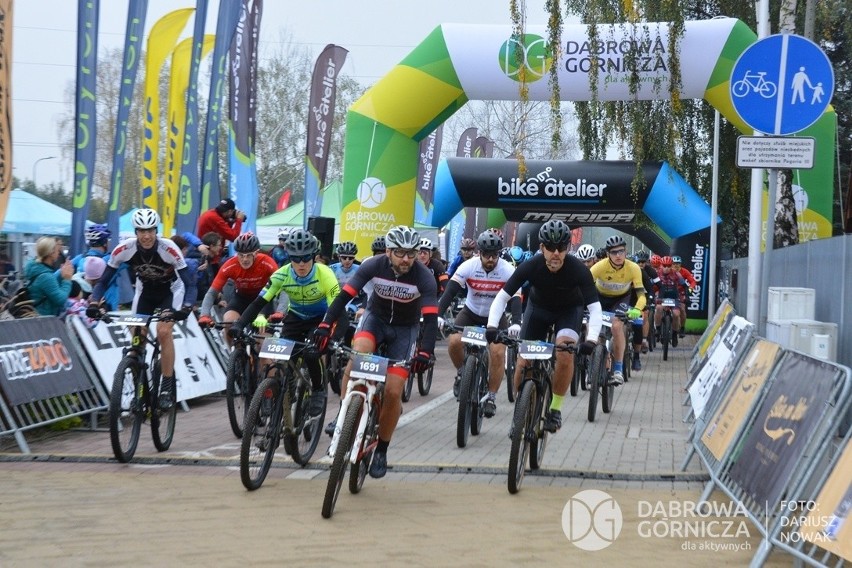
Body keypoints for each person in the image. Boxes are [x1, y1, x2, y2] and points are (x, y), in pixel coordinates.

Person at [314, 225, 438, 479]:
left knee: (393, 392)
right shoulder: (373, 265)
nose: (406, 259)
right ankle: (343, 414)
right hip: (375, 320)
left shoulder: (424, 276)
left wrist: (425, 352)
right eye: (401, 253)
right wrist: (326, 325)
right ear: (389, 251)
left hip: (404, 330)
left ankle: (381, 449)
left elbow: (431, 318)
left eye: (412, 253)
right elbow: (343, 297)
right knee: (357, 355)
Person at [486, 220, 602, 434]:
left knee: (565, 354)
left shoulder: (579, 270)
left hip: (569, 311)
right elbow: (503, 297)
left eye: (561, 248)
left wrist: (591, 339)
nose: (556, 253)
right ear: (542, 248)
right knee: (523, 363)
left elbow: (595, 308)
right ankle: (522, 408)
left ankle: (555, 409)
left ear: (568, 248)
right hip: (538, 310)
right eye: (550, 247)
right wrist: (492, 326)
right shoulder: (531, 265)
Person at [87, 208, 197, 410]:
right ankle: (140, 383)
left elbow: (190, 283)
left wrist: (187, 307)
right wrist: (94, 302)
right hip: (144, 292)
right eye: (141, 231)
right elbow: (103, 282)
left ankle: (166, 385)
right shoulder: (124, 249)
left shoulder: (169, 248)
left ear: (156, 231)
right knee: (137, 336)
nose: (146, 236)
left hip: (170, 291)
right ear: (135, 232)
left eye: (150, 230)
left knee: (164, 332)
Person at [231, 228, 340, 420]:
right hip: (295, 318)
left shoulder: (325, 274)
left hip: (321, 319)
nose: (301, 263)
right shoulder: (281, 275)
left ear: (314, 256)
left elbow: (336, 309)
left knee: (310, 352)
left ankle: (317, 389)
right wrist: (239, 324)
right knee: (282, 358)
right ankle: (281, 392)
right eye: (295, 258)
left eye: (306, 257)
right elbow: (259, 303)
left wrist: (330, 333)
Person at [438, 229, 521, 417]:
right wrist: (438, 314)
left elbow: (516, 298)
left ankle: (491, 396)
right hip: (471, 312)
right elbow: (450, 292)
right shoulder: (468, 266)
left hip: (496, 317)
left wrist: (516, 322)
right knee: (454, 342)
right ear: (479, 253)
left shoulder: (507, 269)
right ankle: (462, 373)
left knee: (498, 353)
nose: (490, 259)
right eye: (486, 255)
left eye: (494, 255)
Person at [197, 232, 279, 346]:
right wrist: (204, 315)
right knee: (228, 321)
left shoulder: (267, 262)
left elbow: (283, 288)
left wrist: (280, 311)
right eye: (241, 255)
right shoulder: (230, 265)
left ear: (256, 253)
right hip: (242, 298)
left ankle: (263, 361)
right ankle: (235, 354)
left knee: (263, 346)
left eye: (249, 255)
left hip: (264, 300)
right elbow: (212, 293)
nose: (244, 259)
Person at [589, 235, 646, 383]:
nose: (618, 255)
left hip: (620, 299)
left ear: (626, 252)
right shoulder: (599, 267)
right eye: (614, 252)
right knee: (593, 328)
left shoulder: (633, 268)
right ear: (608, 254)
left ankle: (618, 369)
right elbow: (584, 287)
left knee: (616, 326)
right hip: (600, 298)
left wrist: (637, 310)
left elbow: (641, 295)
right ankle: (592, 364)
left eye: (621, 251)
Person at [24, 236, 74, 316]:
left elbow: (50, 289)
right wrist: (67, 280)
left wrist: (61, 275)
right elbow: (60, 300)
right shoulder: (46, 277)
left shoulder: (36, 269)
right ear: (51, 252)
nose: (59, 253)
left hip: (35, 317)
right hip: (43, 321)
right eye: (57, 250)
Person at [196, 198, 246, 271]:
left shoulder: (210, 213)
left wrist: (231, 221)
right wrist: (239, 220)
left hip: (209, 255)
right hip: (210, 258)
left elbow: (225, 232)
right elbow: (233, 237)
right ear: (230, 211)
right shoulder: (215, 218)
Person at [653, 256, 688, 345]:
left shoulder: (677, 274)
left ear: (671, 265)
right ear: (662, 265)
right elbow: (651, 285)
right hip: (662, 296)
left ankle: (675, 334)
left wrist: (686, 296)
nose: (667, 268)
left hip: (674, 296)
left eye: (669, 266)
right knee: (659, 308)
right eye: (664, 266)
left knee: (676, 314)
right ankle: (658, 328)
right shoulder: (657, 273)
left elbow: (684, 286)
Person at [671, 255, 697, 338]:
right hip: (669, 291)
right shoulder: (668, 271)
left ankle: (682, 328)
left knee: (682, 308)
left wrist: (690, 289)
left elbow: (692, 281)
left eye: (678, 263)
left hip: (680, 292)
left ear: (680, 264)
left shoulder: (684, 271)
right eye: (674, 263)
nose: (676, 265)